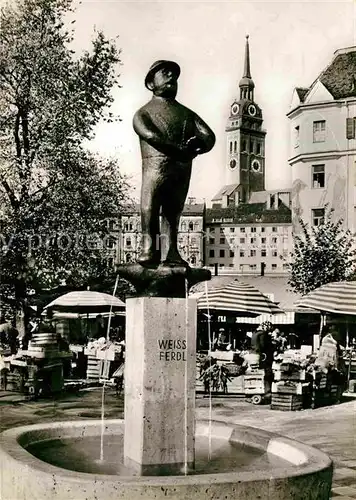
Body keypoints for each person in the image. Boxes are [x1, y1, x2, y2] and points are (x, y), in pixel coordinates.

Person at [133, 60, 215, 266]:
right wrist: (181, 150)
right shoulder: (143, 113)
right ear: (151, 84)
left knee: (173, 212)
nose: (172, 77)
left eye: (175, 75)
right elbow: (150, 135)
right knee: (149, 207)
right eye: (165, 73)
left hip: (180, 171)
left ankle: (171, 252)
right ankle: (149, 248)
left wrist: (200, 145)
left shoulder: (187, 113)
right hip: (155, 169)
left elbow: (209, 136)